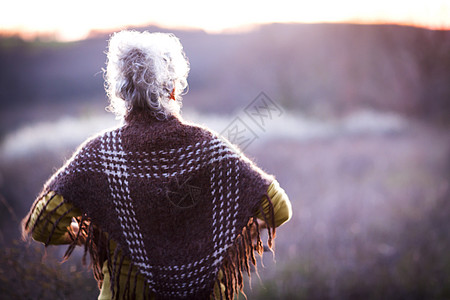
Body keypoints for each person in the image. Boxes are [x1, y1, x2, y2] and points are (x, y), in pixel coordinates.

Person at [22, 30, 292, 300]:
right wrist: (224, 234)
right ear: (173, 89)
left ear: (121, 93)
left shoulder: (100, 154)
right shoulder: (208, 148)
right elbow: (279, 209)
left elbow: (42, 224)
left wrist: (99, 233)